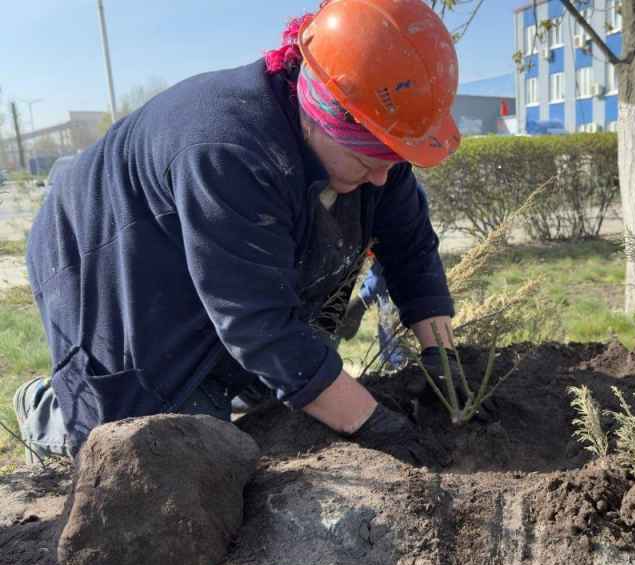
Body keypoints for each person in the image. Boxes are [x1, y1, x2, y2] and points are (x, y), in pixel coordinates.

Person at [15, 0, 464, 468]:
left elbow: (411, 252)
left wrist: (444, 362)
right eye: (370, 162)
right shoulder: (230, 149)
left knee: (271, 386)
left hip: (217, 238)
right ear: (328, 117)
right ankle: (50, 415)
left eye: (390, 163)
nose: (379, 178)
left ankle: (228, 391)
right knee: (153, 444)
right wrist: (372, 424)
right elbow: (257, 323)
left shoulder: (375, 149)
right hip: (108, 246)